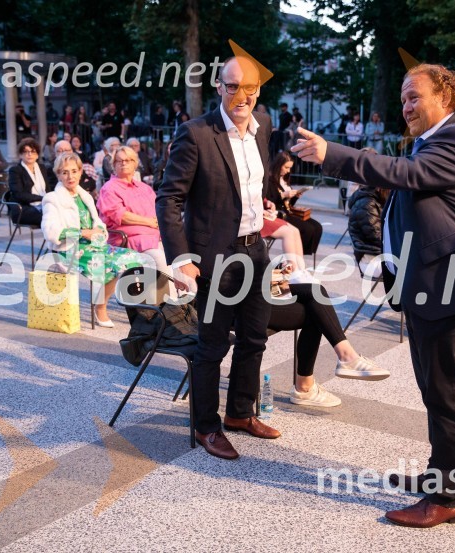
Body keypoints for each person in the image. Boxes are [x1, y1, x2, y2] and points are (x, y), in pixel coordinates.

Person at [293, 63, 455, 527]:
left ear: (446, 99)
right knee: (436, 389)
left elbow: (409, 174)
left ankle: (448, 499)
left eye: (415, 96)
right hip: (434, 284)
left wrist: (334, 154)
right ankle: (439, 477)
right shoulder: (435, 139)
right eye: (403, 98)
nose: (406, 105)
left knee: (447, 393)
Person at [156, 56, 282, 460]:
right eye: (231, 86)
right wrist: (181, 258)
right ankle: (206, 425)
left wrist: (265, 205)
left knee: (254, 339)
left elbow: (249, 185)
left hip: (255, 251)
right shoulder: (196, 133)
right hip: (214, 259)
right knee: (212, 348)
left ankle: (240, 413)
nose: (240, 95)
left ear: (258, 90)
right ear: (218, 87)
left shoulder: (262, 130)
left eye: (248, 87)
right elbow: (169, 198)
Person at [41, 153, 145, 327]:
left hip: (94, 245)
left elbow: (98, 224)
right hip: (69, 249)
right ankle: (101, 308)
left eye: (74, 171)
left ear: (81, 172)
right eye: (64, 172)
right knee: (111, 264)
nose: (70, 176)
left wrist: (98, 231)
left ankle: (107, 303)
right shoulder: (53, 199)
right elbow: (51, 232)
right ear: (58, 174)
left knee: (134, 258)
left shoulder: (85, 196)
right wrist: (82, 233)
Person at [268, 275, 389, 408]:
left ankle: (345, 358)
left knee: (316, 293)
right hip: (247, 300)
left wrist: (277, 275)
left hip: (263, 288)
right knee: (316, 311)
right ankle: (308, 384)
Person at [98, 145, 174, 296]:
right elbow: (121, 215)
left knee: (176, 254)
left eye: (128, 160)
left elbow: (157, 209)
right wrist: (149, 222)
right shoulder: (109, 188)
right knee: (159, 257)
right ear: (113, 165)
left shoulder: (144, 188)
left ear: (135, 163)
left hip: (152, 235)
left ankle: (180, 300)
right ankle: (170, 304)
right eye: (119, 161)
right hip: (127, 238)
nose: (124, 163)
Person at [267, 151, 322, 260]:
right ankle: (297, 257)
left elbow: (289, 204)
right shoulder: (269, 180)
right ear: (279, 165)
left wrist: (295, 196)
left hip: (287, 211)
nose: (288, 171)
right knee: (307, 228)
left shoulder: (285, 180)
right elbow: (269, 201)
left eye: (290, 168)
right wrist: (283, 195)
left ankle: (303, 255)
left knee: (317, 227)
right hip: (279, 213)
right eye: (286, 167)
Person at [7, 138, 54, 226]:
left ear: (37, 155)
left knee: (64, 215)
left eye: (33, 152)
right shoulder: (15, 171)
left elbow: (48, 189)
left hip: (42, 206)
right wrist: (42, 198)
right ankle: (66, 238)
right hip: (22, 209)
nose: (29, 154)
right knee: (53, 218)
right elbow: (19, 195)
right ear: (20, 155)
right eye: (25, 152)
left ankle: (71, 238)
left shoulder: (42, 168)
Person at [347, 182, 388, 275]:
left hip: (379, 254)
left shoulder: (376, 199)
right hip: (370, 259)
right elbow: (377, 237)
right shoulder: (367, 204)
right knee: (413, 267)